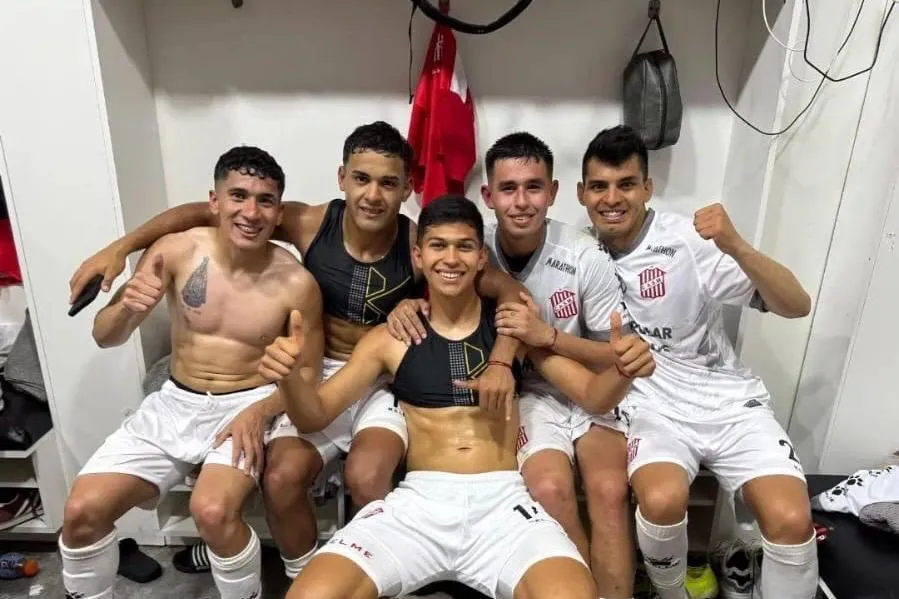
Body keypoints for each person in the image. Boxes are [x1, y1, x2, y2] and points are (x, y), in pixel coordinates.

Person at [67, 121, 527, 579]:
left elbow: (511, 296)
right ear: (342, 177)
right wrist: (121, 248)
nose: (373, 195)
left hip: (383, 377)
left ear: (408, 187)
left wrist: (502, 358)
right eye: (362, 178)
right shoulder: (311, 222)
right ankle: (303, 576)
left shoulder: (418, 246)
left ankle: (384, 572)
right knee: (281, 479)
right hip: (316, 369)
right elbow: (204, 211)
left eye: (388, 183)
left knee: (366, 477)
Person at [263, 195, 654, 599]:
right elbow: (316, 414)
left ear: (482, 257)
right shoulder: (390, 339)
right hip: (417, 505)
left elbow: (593, 395)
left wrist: (622, 371)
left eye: (464, 246)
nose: (451, 258)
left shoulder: (511, 332)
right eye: (438, 245)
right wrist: (290, 381)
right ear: (418, 255)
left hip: (503, 505)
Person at [59, 146, 324, 599]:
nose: (250, 211)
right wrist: (125, 308)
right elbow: (106, 335)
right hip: (175, 401)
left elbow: (310, 374)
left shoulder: (296, 280)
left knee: (214, 511)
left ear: (279, 211)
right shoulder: (176, 250)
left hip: (245, 405)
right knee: (81, 512)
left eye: (265, 200)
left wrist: (262, 410)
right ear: (215, 201)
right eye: (238, 195)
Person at [390, 132, 641, 599]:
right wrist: (405, 306)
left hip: (586, 384)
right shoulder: (468, 246)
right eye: (508, 189)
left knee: (608, 491)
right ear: (488, 196)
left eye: (533, 187)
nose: (521, 201)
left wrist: (546, 336)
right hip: (527, 396)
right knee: (550, 488)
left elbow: (615, 354)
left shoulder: (584, 254)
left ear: (554, 192)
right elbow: (444, 293)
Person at [579, 125, 817, 599]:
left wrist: (737, 245)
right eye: (600, 186)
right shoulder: (580, 252)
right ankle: (675, 594)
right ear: (582, 193)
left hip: (729, 404)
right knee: (663, 500)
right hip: (652, 409)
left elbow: (797, 304)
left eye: (626, 184)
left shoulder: (687, 240)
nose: (612, 198)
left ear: (648, 188)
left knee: (791, 520)